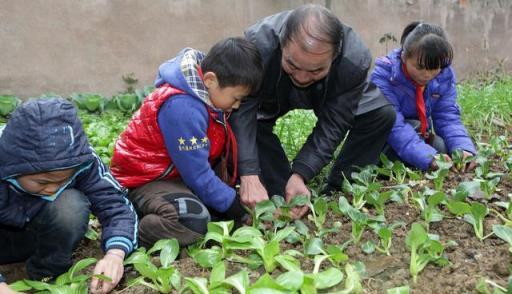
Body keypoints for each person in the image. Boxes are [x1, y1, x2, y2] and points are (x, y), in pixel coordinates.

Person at [229, 4, 396, 219]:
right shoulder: (258, 46)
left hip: (333, 87)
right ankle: (275, 183)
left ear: (335, 57)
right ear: (281, 44)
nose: (302, 78)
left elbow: (334, 122)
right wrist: (249, 174)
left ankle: (339, 186)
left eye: (316, 69)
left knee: (379, 114)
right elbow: (242, 114)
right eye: (293, 64)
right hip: (269, 88)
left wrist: (301, 173)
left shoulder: (352, 61)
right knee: (276, 185)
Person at [110, 37, 263, 248]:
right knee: (194, 221)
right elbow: (198, 174)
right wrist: (236, 208)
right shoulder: (182, 108)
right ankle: (133, 226)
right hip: (142, 180)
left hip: (173, 175)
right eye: (235, 98)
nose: (236, 106)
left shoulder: (206, 95)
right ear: (210, 80)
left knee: (215, 211)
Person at [0, 98, 138, 294]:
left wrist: (115, 254)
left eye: (63, 181)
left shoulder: (81, 160)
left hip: (34, 239)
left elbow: (115, 206)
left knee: (70, 205)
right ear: (13, 166)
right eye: (43, 182)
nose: (53, 189)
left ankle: (46, 277)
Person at [371, 21, 477, 171]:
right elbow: (395, 127)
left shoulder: (443, 76)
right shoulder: (385, 76)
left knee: (441, 146)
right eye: (419, 67)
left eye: (434, 68)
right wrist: (428, 157)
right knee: (416, 139)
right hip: (385, 138)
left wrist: (463, 148)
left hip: (417, 136)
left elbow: (447, 116)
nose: (427, 75)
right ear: (403, 56)